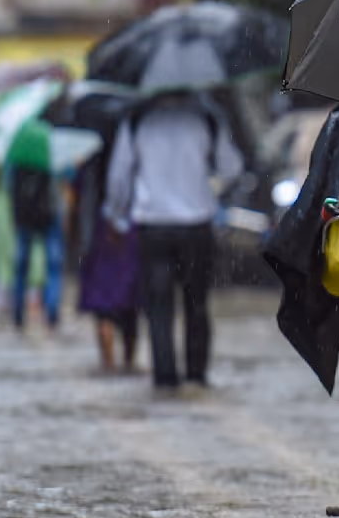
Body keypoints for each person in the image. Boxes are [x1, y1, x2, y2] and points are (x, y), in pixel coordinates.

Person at [102, 91, 243, 389]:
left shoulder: (138, 120)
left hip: (153, 226)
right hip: (196, 224)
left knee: (158, 306)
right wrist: (208, 184)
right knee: (197, 303)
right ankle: (196, 376)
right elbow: (232, 168)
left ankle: (165, 380)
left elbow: (118, 177)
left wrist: (116, 216)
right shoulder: (206, 118)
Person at [76, 148, 140, 373]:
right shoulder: (133, 147)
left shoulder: (90, 155)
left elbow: (81, 199)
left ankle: (108, 363)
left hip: (100, 234)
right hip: (129, 231)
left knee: (104, 305)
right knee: (129, 302)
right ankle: (128, 364)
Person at [10, 150, 65, 332]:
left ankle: (18, 313)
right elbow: (66, 175)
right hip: (49, 214)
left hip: (24, 215)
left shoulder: (17, 152)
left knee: (21, 265)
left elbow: (8, 183)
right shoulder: (52, 148)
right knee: (53, 265)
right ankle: (51, 312)